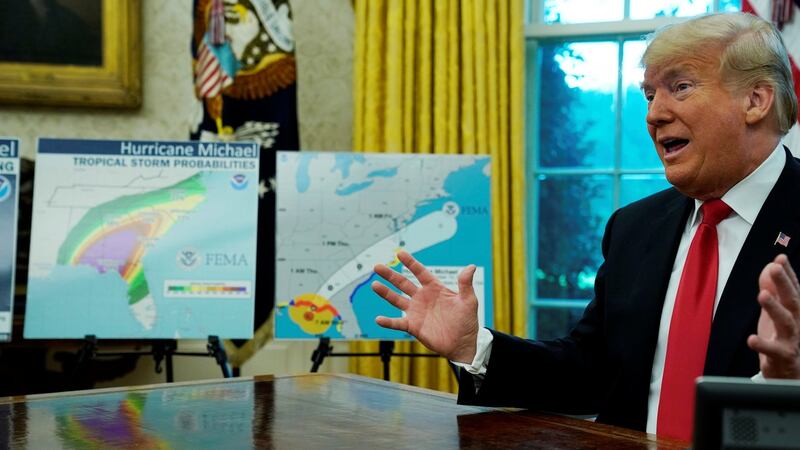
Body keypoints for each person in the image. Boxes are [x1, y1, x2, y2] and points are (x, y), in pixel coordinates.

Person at [371, 12, 800, 442]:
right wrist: (475, 348)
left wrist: (791, 383)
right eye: (649, 95)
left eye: (680, 87)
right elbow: (589, 371)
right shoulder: (634, 228)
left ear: (755, 101)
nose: (654, 115)